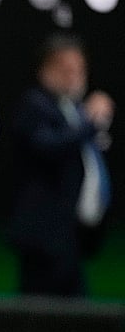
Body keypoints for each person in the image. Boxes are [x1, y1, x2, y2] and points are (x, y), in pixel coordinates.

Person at [8, 33, 115, 297]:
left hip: (72, 237)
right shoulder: (35, 105)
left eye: (80, 70)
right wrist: (91, 122)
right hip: (44, 238)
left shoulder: (72, 109)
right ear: (46, 70)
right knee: (41, 319)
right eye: (67, 70)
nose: (75, 77)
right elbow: (49, 146)